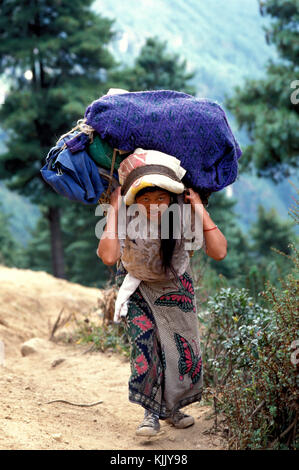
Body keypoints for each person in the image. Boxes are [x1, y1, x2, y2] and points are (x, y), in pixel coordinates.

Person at [97, 149, 227, 437]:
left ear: (172, 198)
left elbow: (219, 251)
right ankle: (150, 414)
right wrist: (116, 208)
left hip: (176, 287)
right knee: (147, 347)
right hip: (138, 286)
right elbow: (108, 257)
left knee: (180, 348)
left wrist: (199, 208)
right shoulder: (126, 217)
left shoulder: (183, 216)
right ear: (135, 201)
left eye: (160, 198)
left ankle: (174, 409)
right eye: (145, 198)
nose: (154, 205)